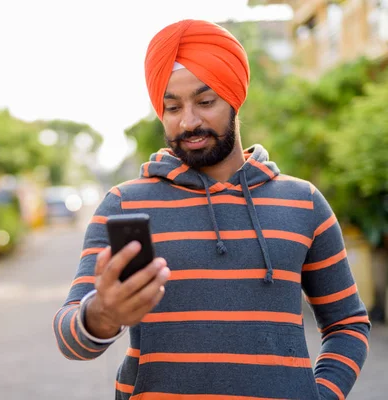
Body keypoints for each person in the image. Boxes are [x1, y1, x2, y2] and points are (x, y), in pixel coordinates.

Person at [53, 19, 370, 399]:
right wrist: (102, 315)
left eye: (205, 102)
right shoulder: (124, 204)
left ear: (235, 97)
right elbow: (71, 339)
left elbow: (347, 323)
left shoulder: (303, 203)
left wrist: (320, 394)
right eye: (172, 107)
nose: (189, 121)